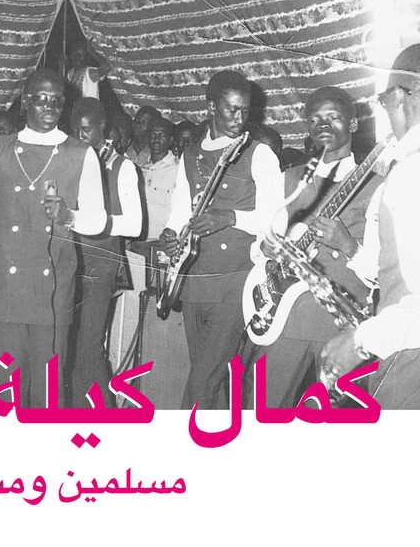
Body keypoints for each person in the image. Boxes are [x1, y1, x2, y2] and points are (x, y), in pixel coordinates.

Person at [0, 68, 106, 408]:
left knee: (48, 390)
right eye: (40, 98)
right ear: (25, 102)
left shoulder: (81, 153)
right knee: (7, 386)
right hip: (7, 289)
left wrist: (69, 216)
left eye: (56, 100)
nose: (49, 106)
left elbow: (98, 221)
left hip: (53, 290)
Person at [241, 86, 382, 408]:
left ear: (353, 124)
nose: (324, 124)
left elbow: (381, 272)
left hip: (341, 327)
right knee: (262, 406)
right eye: (316, 118)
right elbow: (260, 247)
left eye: (334, 116)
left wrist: (349, 246)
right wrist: (266, 249)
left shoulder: (377, 186)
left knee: (335, 419)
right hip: (285, 319)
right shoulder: (287, 180)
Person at [159, 70, 283, 410]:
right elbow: (180, 210)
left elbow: (278, 220)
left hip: (236, 281)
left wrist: (230, 218)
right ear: (211, 107)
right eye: (231, 109)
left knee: (204, 377)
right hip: (194, 279)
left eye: (245, 110)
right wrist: (170, 234)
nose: (239, 119)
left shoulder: (259, 154)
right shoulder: (190, 156)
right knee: (213, 376)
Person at [321, 44, 420, 408]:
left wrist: (360, 341)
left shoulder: (410, 172)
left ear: (399, 97)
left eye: (385, 102)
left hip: (409, 361)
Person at [67, 97, 142, 407]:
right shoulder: (71, 160)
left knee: (89, 346)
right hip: (70, 262)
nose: (80, 136)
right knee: (70, 344)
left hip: (100, 265)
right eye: (75, 130)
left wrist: (84, 220)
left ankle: (104, 416)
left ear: (102, 127)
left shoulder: (123, 167)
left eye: (86, 130)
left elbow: (135, 225)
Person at [141, 117, 179, 240]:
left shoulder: (178, 169)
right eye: (153, 135)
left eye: (162, 135)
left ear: (171, 139)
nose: (156, 139)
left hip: (163, 242)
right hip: (140, 240)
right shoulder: (140, 169)